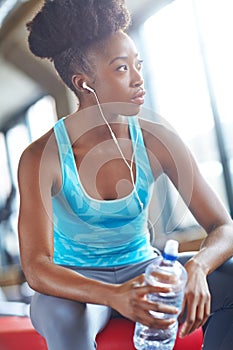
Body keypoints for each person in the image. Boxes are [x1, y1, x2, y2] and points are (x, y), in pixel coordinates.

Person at [17, 1, 233, 349]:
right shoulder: (41, 157)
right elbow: (37, 267)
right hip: (79, 284)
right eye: (121, 69)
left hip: (143, 267)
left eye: (138, 64)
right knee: (59, 313)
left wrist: (198, 268)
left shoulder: (157, 141)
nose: (138, 78)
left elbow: (224, 227)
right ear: (84, 83)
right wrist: (114, 295)